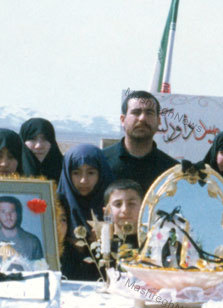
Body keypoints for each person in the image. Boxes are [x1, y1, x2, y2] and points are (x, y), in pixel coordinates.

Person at [58, 144, 114, 281]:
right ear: (67, 174)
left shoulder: (115, 207)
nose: (83, 180)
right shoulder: (56, 207)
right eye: (76, 173)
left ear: (101, 173)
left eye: (91, 173)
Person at [102, 90, 177, 191]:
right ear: (123, 120)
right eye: (136, 112)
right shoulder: (101, 163)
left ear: (158, 121)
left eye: (149, 113)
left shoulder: (171, 171)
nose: (142, 118)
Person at [0, 195, 44, 261]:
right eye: (3, 212)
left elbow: (40, 266)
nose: (8, 216)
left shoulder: (32, 241)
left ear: (17, 214)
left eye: (12, 211)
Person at [102, 179, 143, 250]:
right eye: (118, 204)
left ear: (143, 207)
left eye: (131, 203)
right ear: (107, 212)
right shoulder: (101, 248)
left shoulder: (154, 244)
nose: (125, 210)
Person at [19, 117, 64, 181]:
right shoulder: (11, 171)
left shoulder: (68, 174)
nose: (39, 146)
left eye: (45, 139)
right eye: (32, 139)